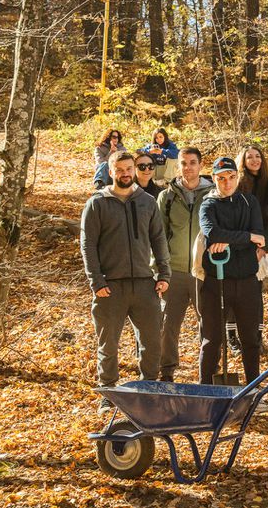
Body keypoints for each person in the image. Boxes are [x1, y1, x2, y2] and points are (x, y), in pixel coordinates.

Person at [80, 151, 171, 413]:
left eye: (129, 168)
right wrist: (96, 281)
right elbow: (88, 245)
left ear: (134, 170)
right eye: (119, 169)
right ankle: (109, 393)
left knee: (152, 342)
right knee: (108, 344)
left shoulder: (147, 201)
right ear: (111, 172)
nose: (125, 173)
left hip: (145, 283)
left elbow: (159, 239)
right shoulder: (97, 204)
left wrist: (164, 274)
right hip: (110, 285)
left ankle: (149, 390)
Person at [197, 157, 266, 385]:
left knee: (250, 339)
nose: (227, 183)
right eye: (222, 178)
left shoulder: (250, 202)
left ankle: (253, 387)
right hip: (216, 281)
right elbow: (213, 233)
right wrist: (246, 237)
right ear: (214, 179)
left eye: (231, 177)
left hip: (247, 280)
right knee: (212, 340)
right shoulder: (208, 205)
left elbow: (260, 236)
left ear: (238, 177)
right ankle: (206, 389)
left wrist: (230, 240)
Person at [155, 146, 215, 382]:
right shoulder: (167, 197)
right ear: (177, 166)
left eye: (192, 162)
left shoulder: (213, 194)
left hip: (204, 271)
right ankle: (167, 371)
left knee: (208, 325)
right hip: (175, 271)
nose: (188, 167)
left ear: (200, 165)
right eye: (183, 163)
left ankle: (207, 372)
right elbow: (158, 236)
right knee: (168, 325)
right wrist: (159, 270)